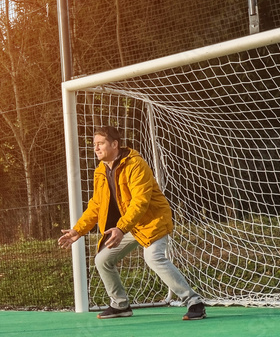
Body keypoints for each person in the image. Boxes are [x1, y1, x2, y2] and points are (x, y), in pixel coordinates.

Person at [58, 126, 206, 320]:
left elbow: (140, 202)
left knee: (153, 257)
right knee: (102, 260)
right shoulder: (100, 171)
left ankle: (194, 302)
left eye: (100, 143)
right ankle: (120, 305)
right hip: (129, 226)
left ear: (114, 144)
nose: (96, 148)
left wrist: (120, 228)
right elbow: (96, 205)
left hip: (152, 220)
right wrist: (78, 230)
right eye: (94, 145)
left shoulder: (136, 165)